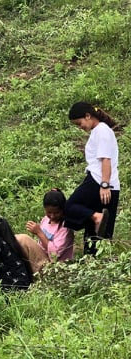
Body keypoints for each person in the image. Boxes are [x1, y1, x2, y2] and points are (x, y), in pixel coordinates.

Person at [64, 102, 120, 255]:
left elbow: (106, 159)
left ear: (88, 116)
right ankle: (93, 260)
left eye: (79, 123)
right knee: (99, 235)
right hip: (107, 183)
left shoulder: (102, 130)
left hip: (98, 180)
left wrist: (104, 185)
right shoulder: (99, 131)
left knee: (70, 207)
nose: (80, 127)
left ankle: (96, 216)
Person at [18, 189, 74, 268]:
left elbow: (54, 256)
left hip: (55, 266)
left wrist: (39, 232)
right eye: (49, 212)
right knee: (19, 240)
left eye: (57, 212)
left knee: (23, 239)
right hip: (42, 258)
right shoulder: (46, 219)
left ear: (63, 210)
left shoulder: (65, 228)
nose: (52, 216)